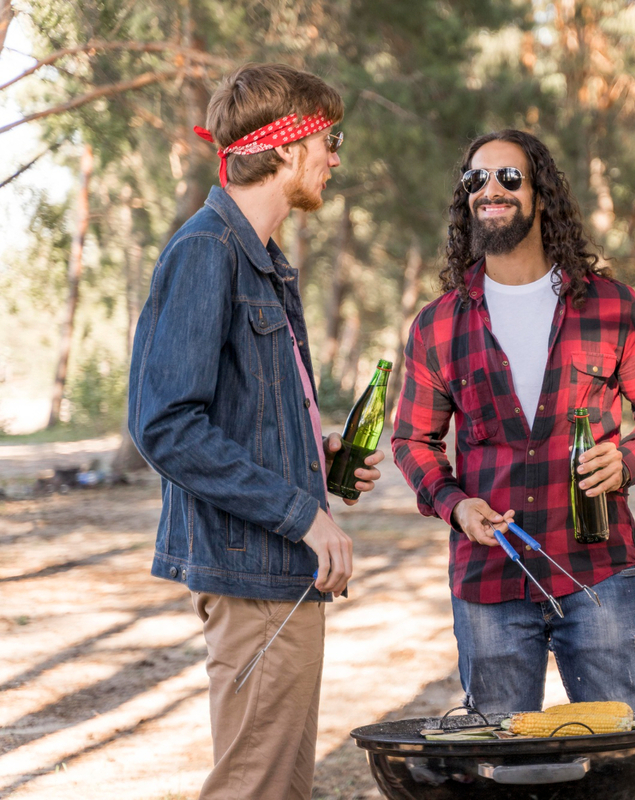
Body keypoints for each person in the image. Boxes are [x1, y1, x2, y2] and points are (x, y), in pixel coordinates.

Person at [127, 63, 383, 800]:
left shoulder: (263, 259)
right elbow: (167, 425)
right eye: (329, 140)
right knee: (255, 789)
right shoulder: (208, 250)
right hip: (254, 574)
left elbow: (240, 413)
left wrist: (317, 457)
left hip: (280, 572)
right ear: (290, 146)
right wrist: (301, 511)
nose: (336, 158)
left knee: (277, 786)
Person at [391, 129, 635, 719]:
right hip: (489, 582)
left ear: (541, 195)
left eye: (509, 177)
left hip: (597, 573)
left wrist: (628, 459)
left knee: (618, 763)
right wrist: (454, 504)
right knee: (499, 771)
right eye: (476, 179)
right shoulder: (438, 324)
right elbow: (412, 439)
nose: (490, 190)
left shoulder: (612, 305)